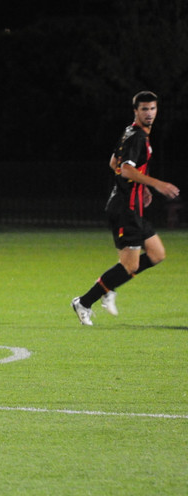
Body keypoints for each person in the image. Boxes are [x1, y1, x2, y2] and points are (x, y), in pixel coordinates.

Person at [71, 91, 181, 325]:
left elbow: (114, 163)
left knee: (157, 254)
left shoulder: (132, 131)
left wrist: (144, 188)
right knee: (129, 265)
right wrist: (157, 184)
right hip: (125, 209)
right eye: (144, 109)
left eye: (152, 108)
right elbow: (128, 169)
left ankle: (110, 284)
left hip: (133, 206)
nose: (149, 113)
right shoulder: (137, 137)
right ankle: (84, 301)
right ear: (136, 111)